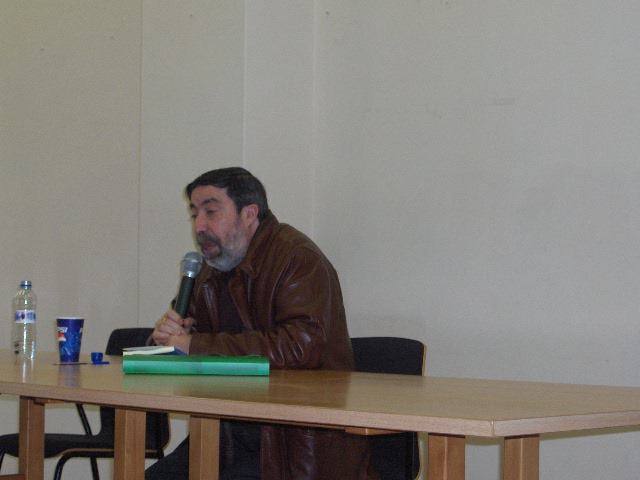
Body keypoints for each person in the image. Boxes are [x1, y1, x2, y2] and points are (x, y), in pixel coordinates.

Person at [146, 167, 376, 480]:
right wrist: (165, 338)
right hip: (223, 435)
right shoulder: (208, 272)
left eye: (211, 212)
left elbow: (301, 348)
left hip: (289, 443)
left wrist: (194, 344)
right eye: (194, 214)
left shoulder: (297, 259)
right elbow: (174, 348)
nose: (199, 226)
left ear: (249, 214)